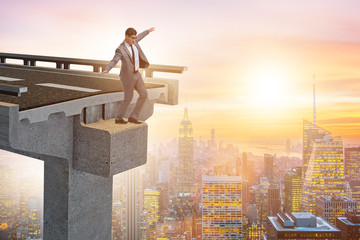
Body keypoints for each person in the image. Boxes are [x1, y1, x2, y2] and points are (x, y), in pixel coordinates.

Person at [100, 27, 155, 124]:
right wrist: (107, 69)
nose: (134, 40)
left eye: (135, 38)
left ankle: (133, 117)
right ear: (126, 36)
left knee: (144, 94)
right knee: (128, 98)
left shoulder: (135, 41)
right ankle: (118, 118)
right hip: (127, 76)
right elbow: (114, 60)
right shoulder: (120, 49)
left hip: (137, 74)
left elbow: (141, 36)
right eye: (132, 38)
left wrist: (148, 31)